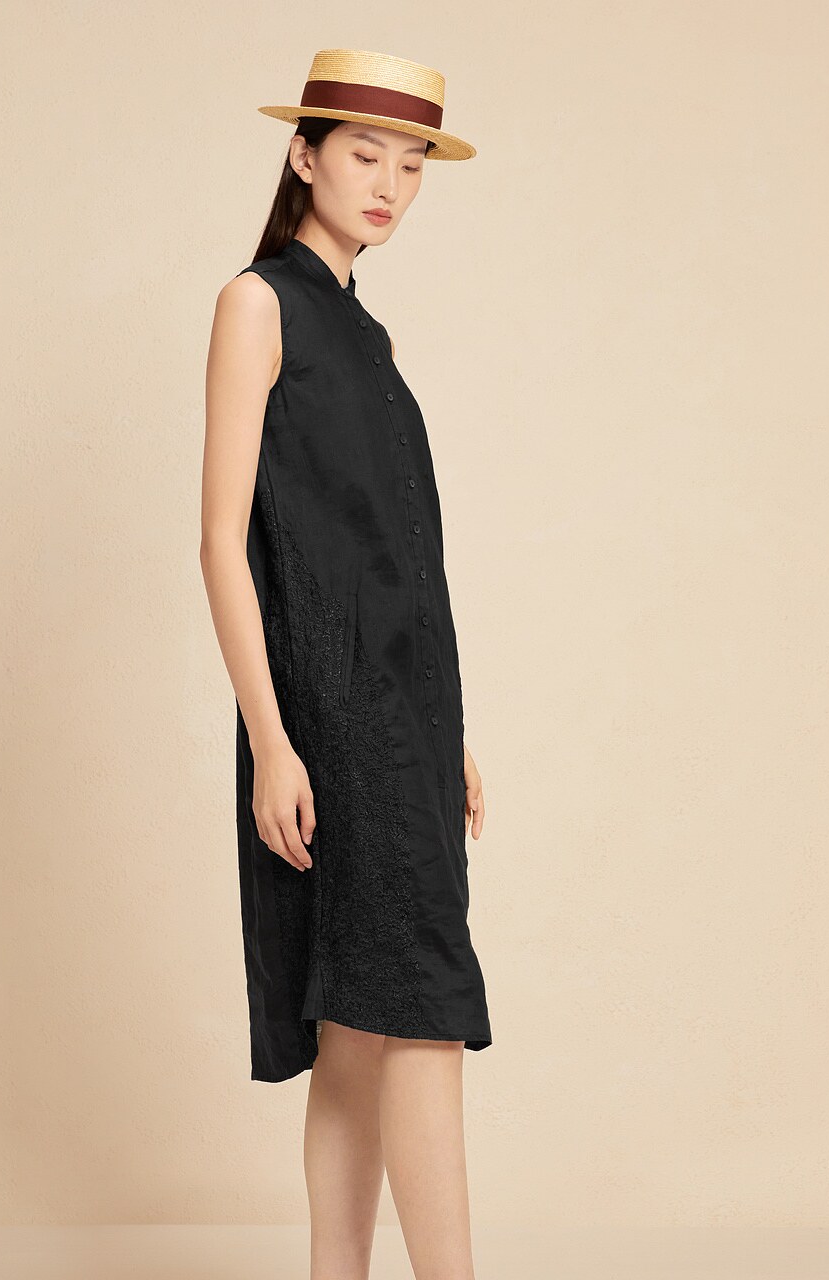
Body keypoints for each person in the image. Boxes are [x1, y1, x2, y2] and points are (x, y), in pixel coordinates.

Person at [199, 47, 493, 1280]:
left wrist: (446, 728)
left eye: (410, 163)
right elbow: (220, 540)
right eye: (364, 154)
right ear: (302, 153)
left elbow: (395, 556)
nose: (387, 184)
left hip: (406, 716)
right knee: (412, 1008)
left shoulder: (367, 334)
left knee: (363, 1025)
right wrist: (272, 740)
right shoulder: (257, 301)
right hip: (328, 713)